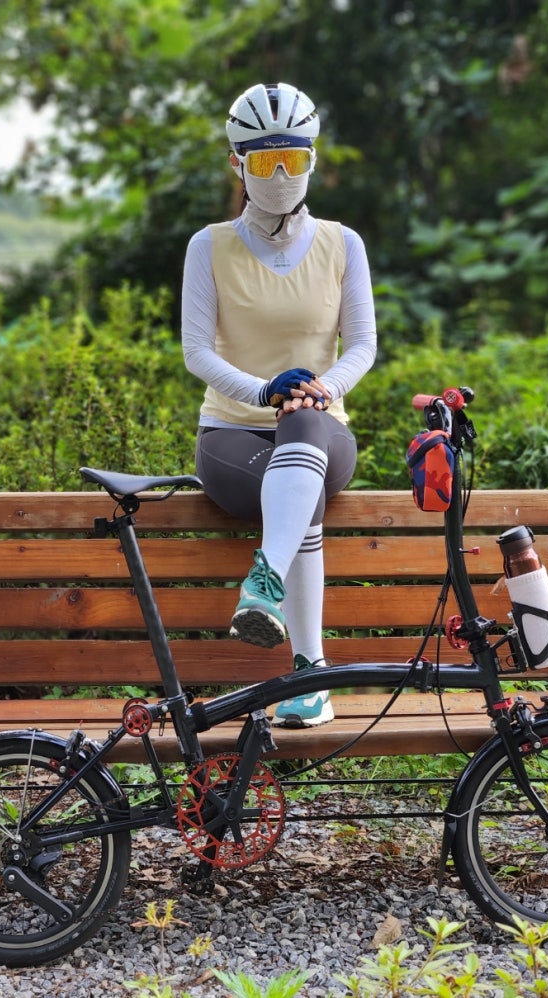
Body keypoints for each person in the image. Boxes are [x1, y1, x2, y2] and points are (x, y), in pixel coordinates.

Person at [181, 82, 376, 728]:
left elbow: (363, 345)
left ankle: (265, 580)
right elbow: (196, 354)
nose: (281, 175)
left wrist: (324, 388)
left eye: (294, 158)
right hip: (230, 437)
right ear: (237, 164)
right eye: (266, 161)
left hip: (323, 429)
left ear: (313, 158)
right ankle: (310, 677)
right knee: (299, 485)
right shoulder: (208, 246)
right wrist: (263, 391)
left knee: (304, 433)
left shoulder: (343, 244)